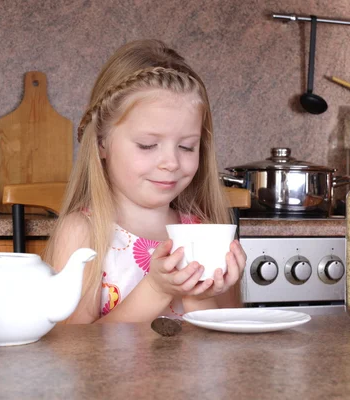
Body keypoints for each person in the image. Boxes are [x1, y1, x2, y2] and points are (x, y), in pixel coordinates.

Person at [44, 39, 247, 324]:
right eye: (148, 145)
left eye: (187, 147)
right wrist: (156, 289)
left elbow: (228, 349)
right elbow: (75, 350)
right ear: (102, 144)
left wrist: (197, 294)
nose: (172, 162)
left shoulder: (205, 233)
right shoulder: (85, 234)